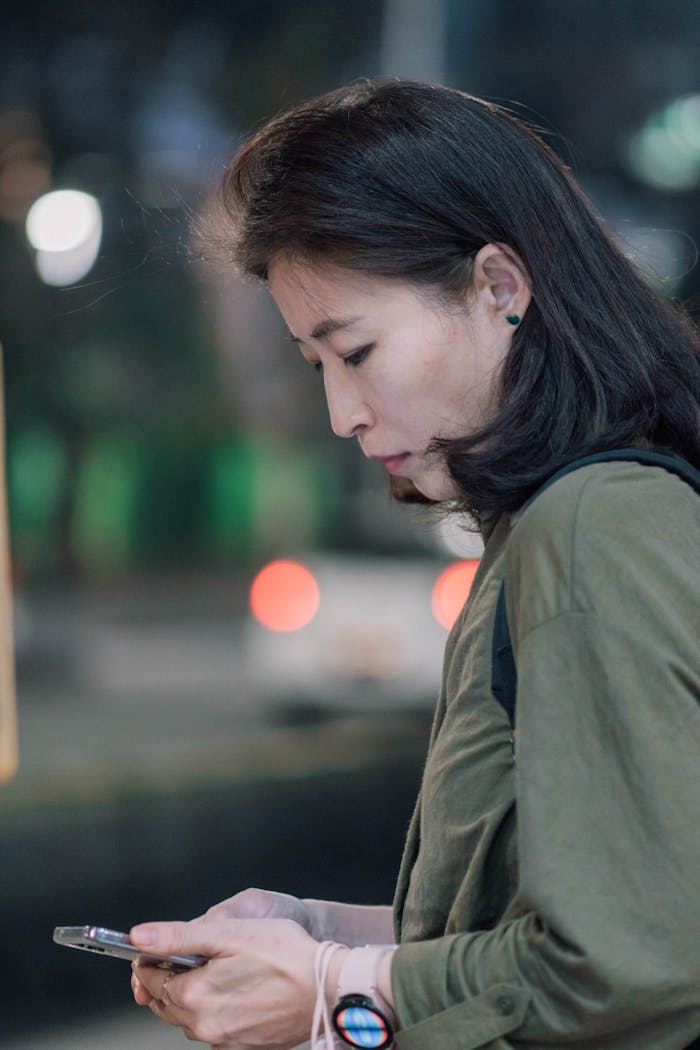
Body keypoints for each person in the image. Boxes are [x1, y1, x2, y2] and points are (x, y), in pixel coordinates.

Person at [130, 79, 700, 1049]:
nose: (341, 413)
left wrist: (334, 996)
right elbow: (568, 920)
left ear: (498, 287)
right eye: (318, 366)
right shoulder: (552, 522)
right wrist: (317, 938)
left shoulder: (595, 524)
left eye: (356, 349)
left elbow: (639, 967)